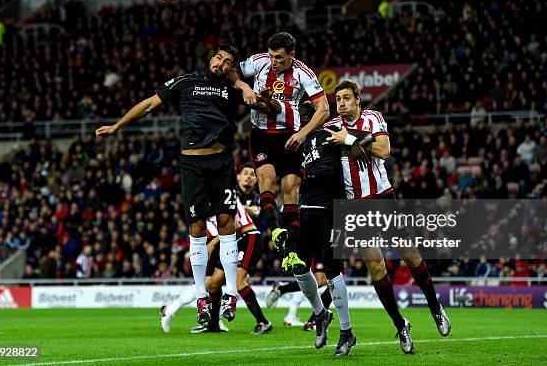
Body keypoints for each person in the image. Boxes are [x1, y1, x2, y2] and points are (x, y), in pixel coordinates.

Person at [96, 44, 256, 326]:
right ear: (211, 59)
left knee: (227, 223)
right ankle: (201, 298)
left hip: (221, 162)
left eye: (227, 61)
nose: (220, 63)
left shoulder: (234, 88)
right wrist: (117, 125)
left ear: (232, 67)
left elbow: (256, 98)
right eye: (218, 57)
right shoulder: (186, 81)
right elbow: (148, 104)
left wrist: (242, 85)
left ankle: (231, 291)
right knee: (196, 228)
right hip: (192, 164)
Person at [323, 79, 451, 354]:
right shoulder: (329, 127)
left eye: (346, 98)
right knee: (376, 267)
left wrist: (348, 140)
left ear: (358, 99)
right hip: (355, 205)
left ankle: (435, 307)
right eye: (338, 99)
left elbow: (384, 150)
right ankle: (400, 325)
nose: (341, 103)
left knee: (410, 254)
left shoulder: (373, 118)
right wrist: (358, 142)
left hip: (382, 197)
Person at [237, 32, 329, 273]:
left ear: (292, 55)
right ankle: (275, 229)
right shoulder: (258, 62)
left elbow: (324, 109)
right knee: (267, 181)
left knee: (291, 190)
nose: (273, 61)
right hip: (262, 135)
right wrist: (244, 86)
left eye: (279, 57)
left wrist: (303, 133)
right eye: (271, 56)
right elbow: (231, 72)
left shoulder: (303, 73)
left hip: (290, 136)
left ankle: (291, 255)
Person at [287, 101, 356, 355]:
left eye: (308, 114)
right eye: (301, 115)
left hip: (331, 210)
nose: (304, 118)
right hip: (306, 211)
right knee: (298, 266)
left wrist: (302, 176)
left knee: (331, 268)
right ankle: (320, 314)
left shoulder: (328, 135)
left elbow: (329, 171)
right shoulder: (299, 142)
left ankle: (346, 331)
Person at [161, 196, 272, 335]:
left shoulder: (223, 196)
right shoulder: (207, 204)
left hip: (248, 237)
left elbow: (235, 225)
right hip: (232, 241)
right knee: (213, 283)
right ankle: (213, 324)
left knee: (238, 282)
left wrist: (212, 243)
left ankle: (263, 322)